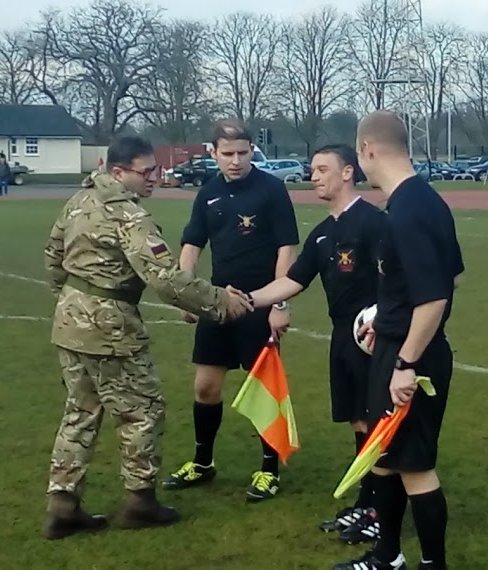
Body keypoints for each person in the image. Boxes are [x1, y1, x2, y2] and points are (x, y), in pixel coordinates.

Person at [43, 135, 252, 540]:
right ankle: (140, 501)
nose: (155, 177)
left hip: (69, 323)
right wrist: (220, 302)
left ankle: (61, 506)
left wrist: (72, 302)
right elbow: (164, 279)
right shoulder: (129, 217)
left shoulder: (78, 202)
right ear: (119, 172)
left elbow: (53, 257)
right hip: (111, 328)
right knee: (142, 411)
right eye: (147, 171)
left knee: (80, 413)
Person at [334, 111, 464, 570]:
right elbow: (435, 282)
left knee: (413, 464)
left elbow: (434, 299)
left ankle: (433, 564)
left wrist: (406, 363)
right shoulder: (419, 202)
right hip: (393, 346)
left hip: (413, 359)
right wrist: (384, 320)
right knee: (383, 457)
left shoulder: (411, 210)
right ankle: (388, 557)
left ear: (367, 149)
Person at [247, 144, 385, 541]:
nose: (314, 176)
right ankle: (366, 502)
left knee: (376, 422)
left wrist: (385, 321)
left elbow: (397, 279)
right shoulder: (323, 234)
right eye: (312, 170)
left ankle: (378, 508)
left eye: (323, 169)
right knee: (358, 420)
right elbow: (293, 280)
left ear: (348, 172)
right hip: (342, 337)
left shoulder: (373, 223)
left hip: (373, 339)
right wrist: (247, 300)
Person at [163, 119, 299, 502]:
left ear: (252, 150)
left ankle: (268, 470)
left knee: (263, 391)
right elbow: (191, 246)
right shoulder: (207, 193)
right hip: (218, 304)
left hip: (260, 304)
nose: (236, 161)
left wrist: (278, 303)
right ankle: (202, 463)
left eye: (243, 152)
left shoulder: (271, 190)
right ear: (213, 153)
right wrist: (187, 295)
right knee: (205, 387)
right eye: (228, 154)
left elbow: (287, 248)